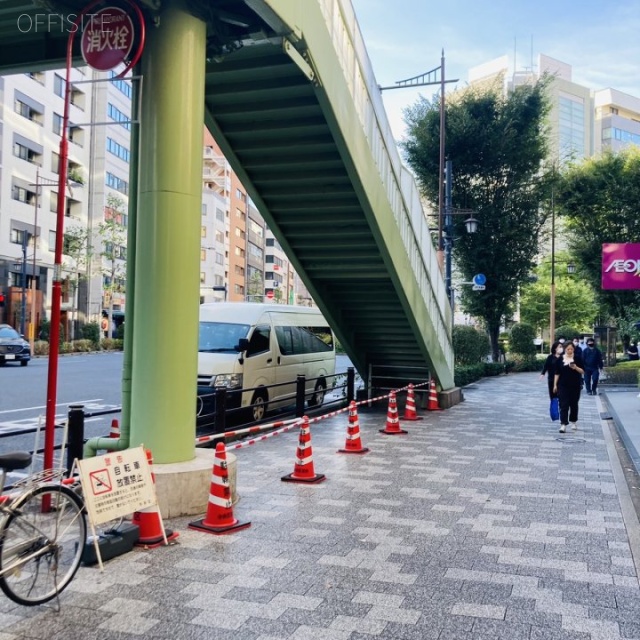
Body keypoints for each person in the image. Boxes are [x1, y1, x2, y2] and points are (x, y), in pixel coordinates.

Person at [553, 342, 584, 433]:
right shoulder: (560, 359)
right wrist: (555, 385)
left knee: (574, 404)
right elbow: (557, 373)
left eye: (571, 349)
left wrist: (576, 367)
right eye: (568, 349)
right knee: (563, 404)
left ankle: (573, 421)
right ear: (564, 349)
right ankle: (563, 424)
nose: (570, 351)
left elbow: (583, 371)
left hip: (575, 385)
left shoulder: (577, 358)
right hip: (563, 385)